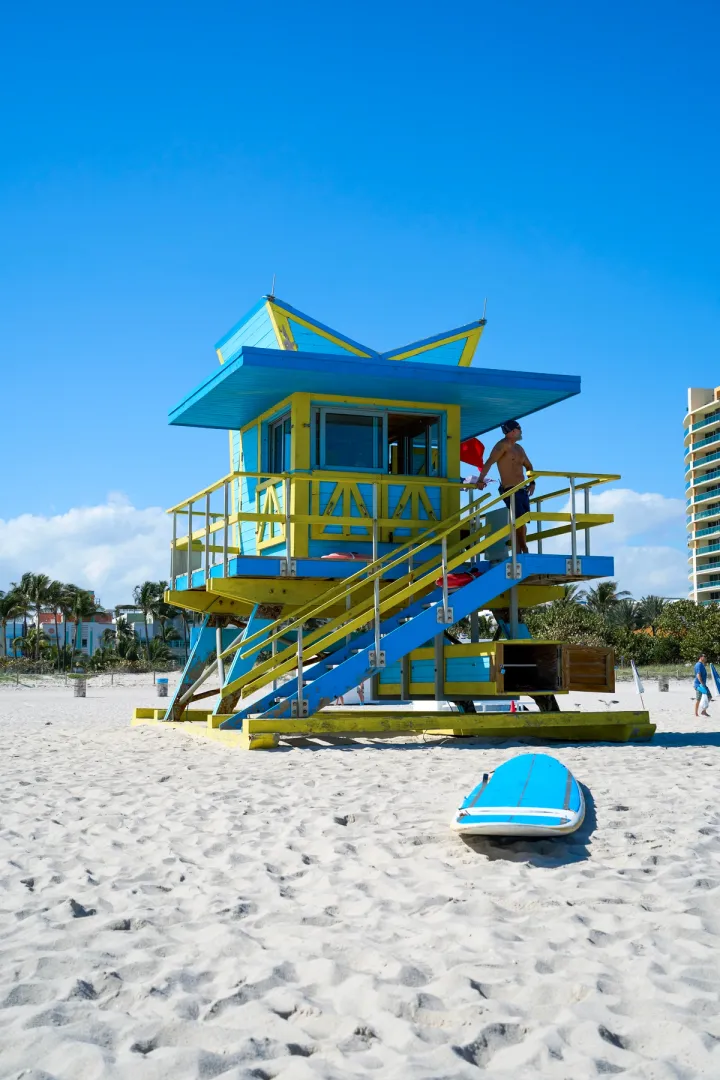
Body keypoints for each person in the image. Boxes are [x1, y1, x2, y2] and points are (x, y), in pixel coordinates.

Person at [476, 419, 534, 554]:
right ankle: (523, 548)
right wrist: (480, 480)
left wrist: (532, 483)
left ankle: (519, 549)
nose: (521, 432)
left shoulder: (519, 448)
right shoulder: (501, 446)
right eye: (519, 429)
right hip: (510, 488)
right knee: (519, 519)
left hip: (522, 489)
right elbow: (489, 462)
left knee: (523, 520)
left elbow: (529, 466)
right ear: (513, 432)